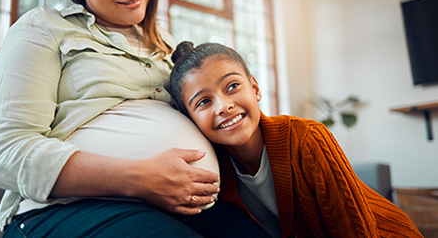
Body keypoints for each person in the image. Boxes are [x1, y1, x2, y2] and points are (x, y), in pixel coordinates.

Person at [0, 0, 271, 238]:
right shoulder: (45, 28)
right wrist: (141, 177)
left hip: (180, 207)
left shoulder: (168, 47)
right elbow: (0, 152)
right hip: (62, 209)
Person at [169, 41, 424, 238]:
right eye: (204, 101)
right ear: (190, 119)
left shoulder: (306, 138)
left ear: (255, 88)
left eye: (232, 86)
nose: (223, 106)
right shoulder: (213, 172)